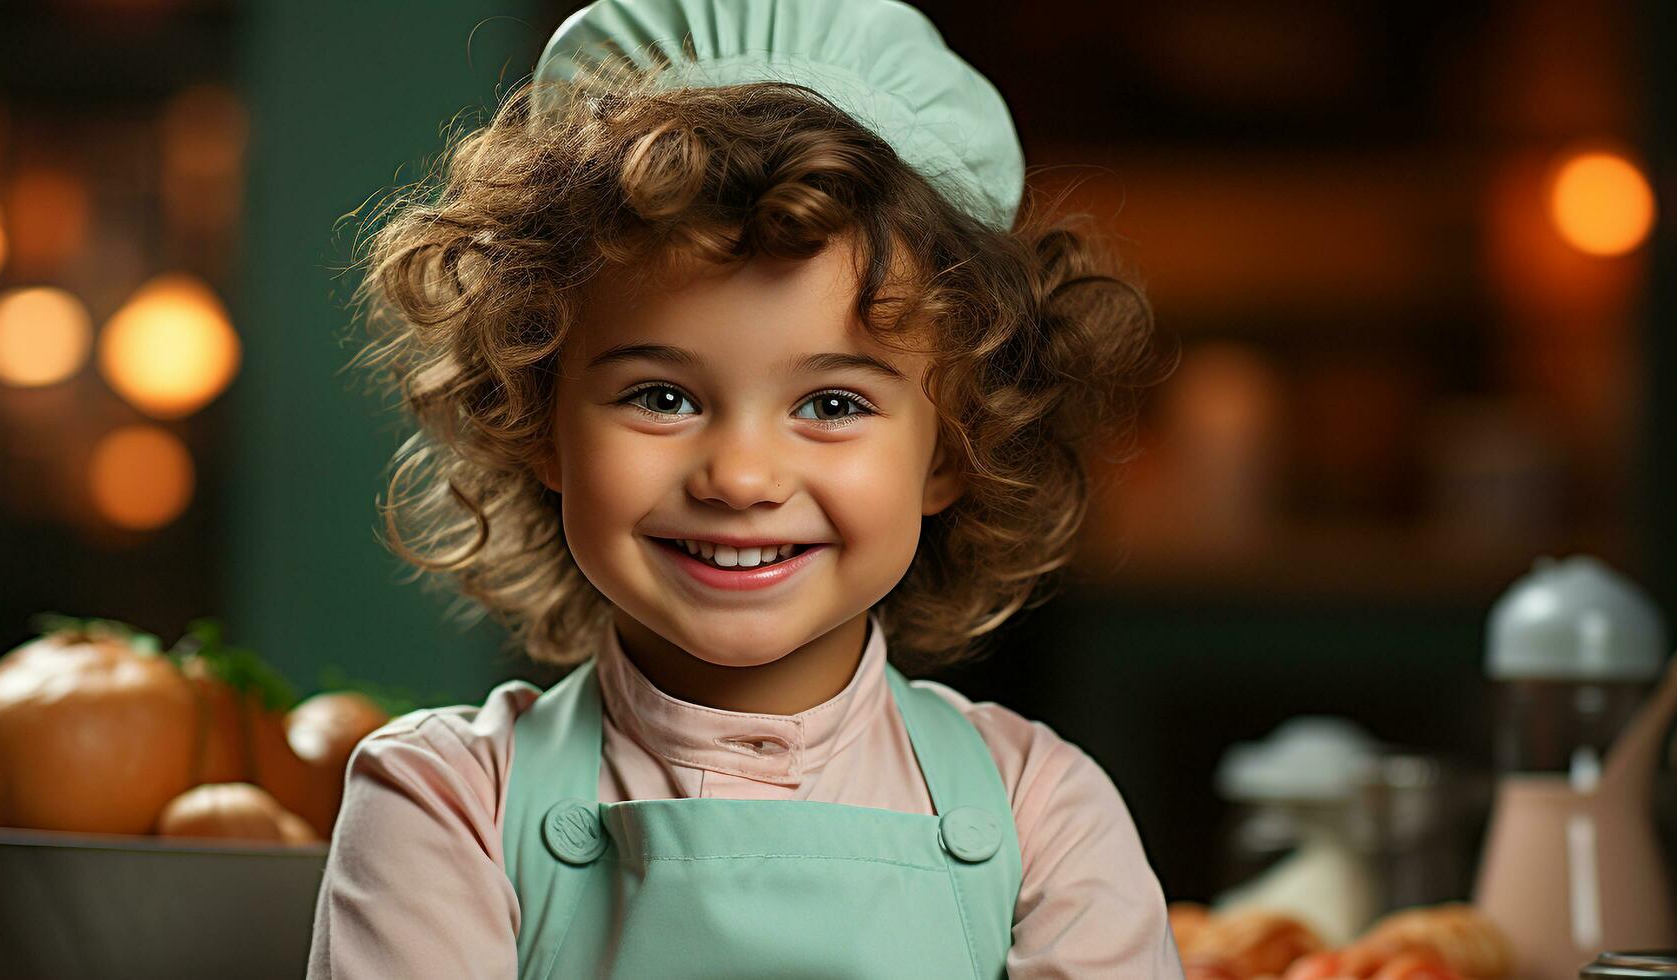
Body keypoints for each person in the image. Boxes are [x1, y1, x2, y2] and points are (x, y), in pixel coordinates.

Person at [307, 0, 1183, 976]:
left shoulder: (1043, 813)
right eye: (662, 394)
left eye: (834, 402)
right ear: (536, 418)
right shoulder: (447, 800)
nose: (741, 475)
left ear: (951, 448)